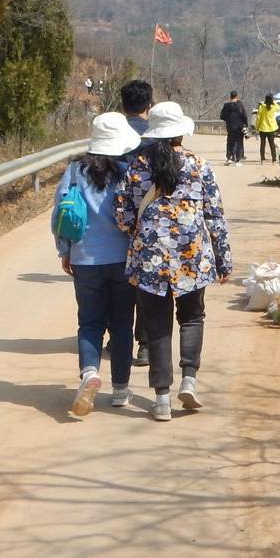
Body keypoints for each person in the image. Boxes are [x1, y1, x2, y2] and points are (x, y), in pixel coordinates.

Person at [116, 101, 233, 422]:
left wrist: (142, 235)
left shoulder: (136, 167)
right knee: (192, 317)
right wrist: (223, 259)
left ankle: (162, 399)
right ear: (181, 131)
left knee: (156, 327)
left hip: (150, 259)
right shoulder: (198, 165)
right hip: (192, 257)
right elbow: (215, 216)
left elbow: (123, 216)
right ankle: (190, 381)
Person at [55, 113, 142, 416]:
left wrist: (65, 251)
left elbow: (61, 214)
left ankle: (90, 373)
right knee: (122, 325)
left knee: (90, 322)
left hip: (85, 260)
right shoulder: (130, 171)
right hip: (123, 260)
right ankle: (120, 390)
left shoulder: (75, 171)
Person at [118, 77, 155, 365]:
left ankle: (118, 339)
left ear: (122, 105)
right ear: (149, 105)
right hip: (147, 221)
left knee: (117, 284)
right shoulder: (156, 136)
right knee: (143, 284)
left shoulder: (113, 136)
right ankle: (144, 344)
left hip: (114, 220)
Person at [219, 90, 247, 166]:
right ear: (237, 96)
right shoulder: (240, 104)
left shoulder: (226, 105)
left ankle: (229, 158)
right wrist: (245, 125)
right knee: (239, 143)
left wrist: (228, 120)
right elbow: (244, 115)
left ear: (230, 97)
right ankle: (237, 160)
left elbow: (222, 116)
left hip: (230, 127)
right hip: (239, 127)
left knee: (230, 143)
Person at [254, 93, 280, 164]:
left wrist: (257, 127)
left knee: (262, 144)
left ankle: (262, 159)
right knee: (272, 144)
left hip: (262, 127)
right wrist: (273, 102)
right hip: (271, 128)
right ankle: (274, 160)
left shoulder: (261, 107)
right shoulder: (273, 107)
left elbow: (258, 118)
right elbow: (279, 108)